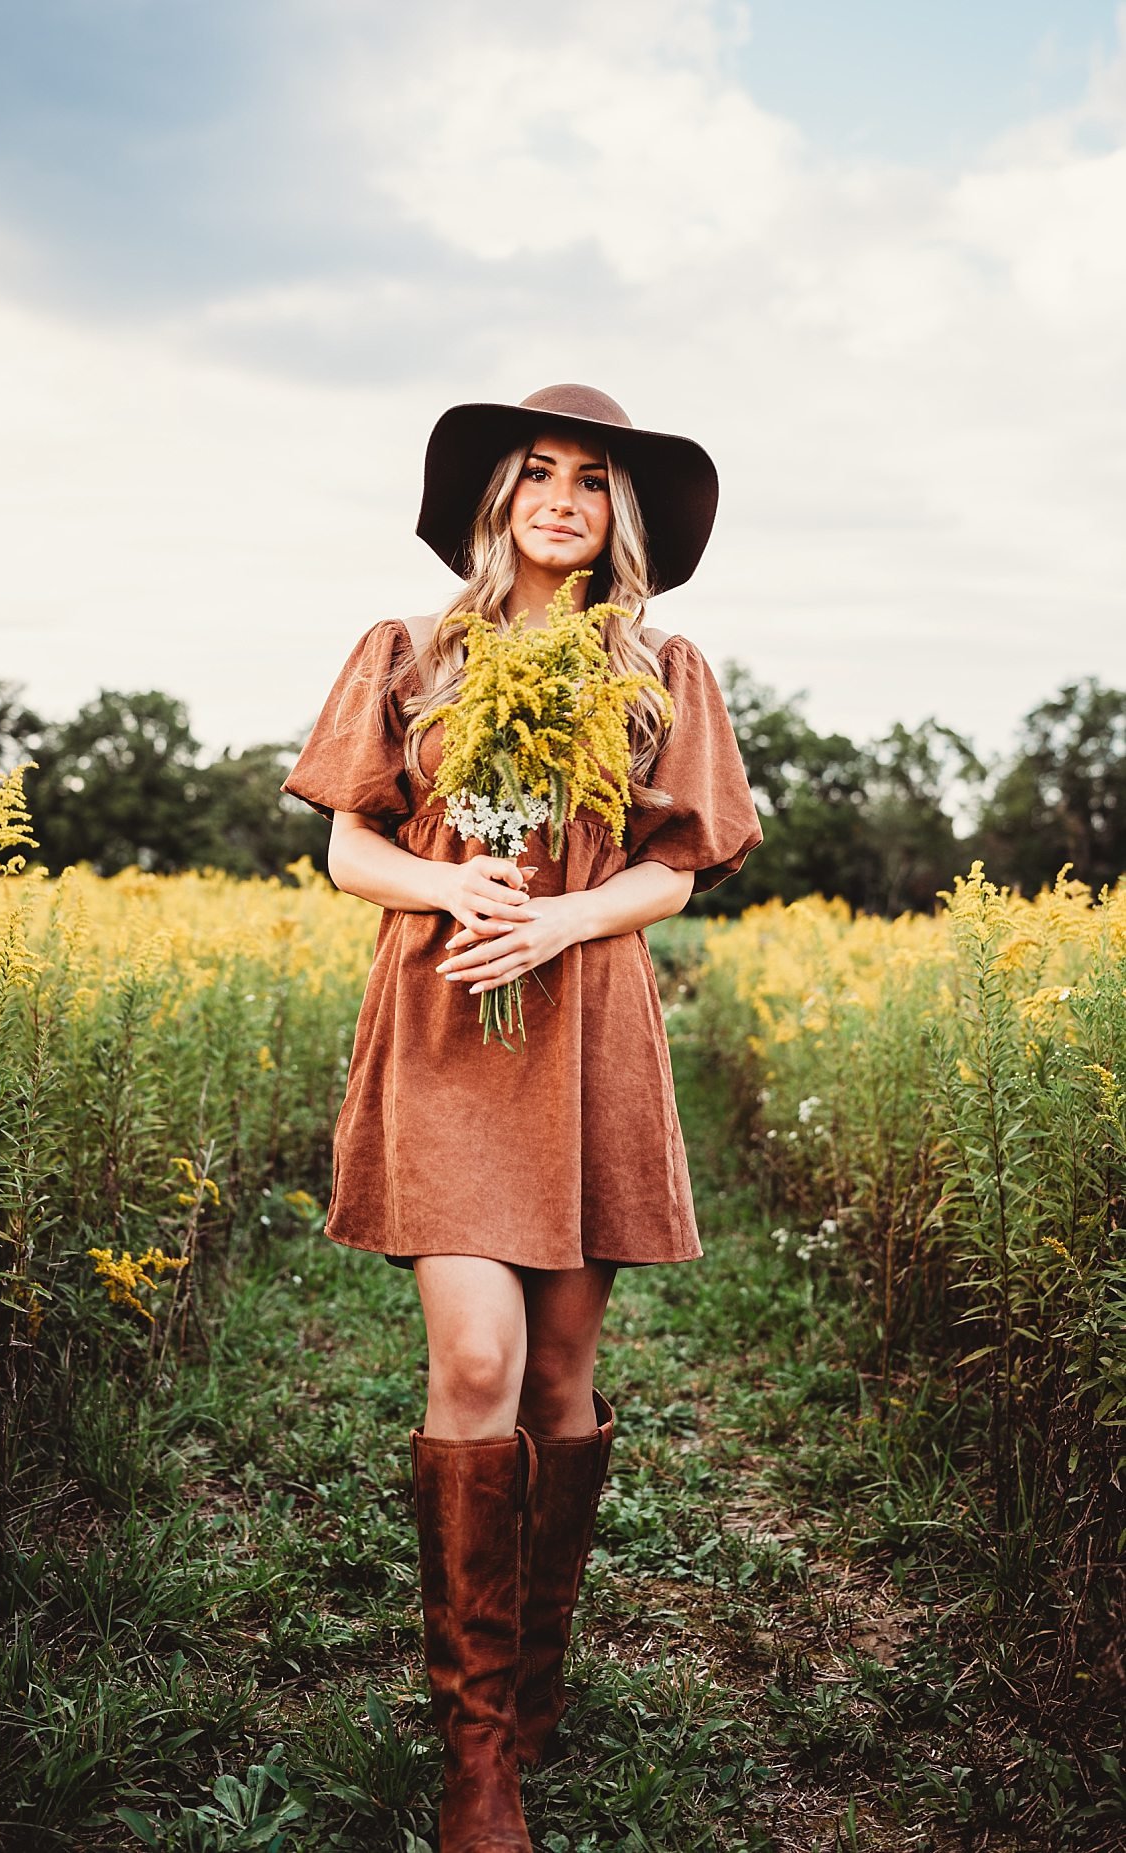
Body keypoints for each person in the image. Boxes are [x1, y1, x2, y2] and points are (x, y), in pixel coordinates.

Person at [281, 383, 763, 1852]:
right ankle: (475, 1751)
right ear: (496, 501)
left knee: (559, 1380)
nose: (560, 494)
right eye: (535, 471)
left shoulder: (658, 670)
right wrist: (453, 886)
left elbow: (673, 871)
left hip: (583, 1030)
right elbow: (350, 846)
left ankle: (532, 1677)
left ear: (621, 516)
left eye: (590, 479)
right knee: (477, 1357)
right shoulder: (413, 652)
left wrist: (555, 924)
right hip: (442, 1026)